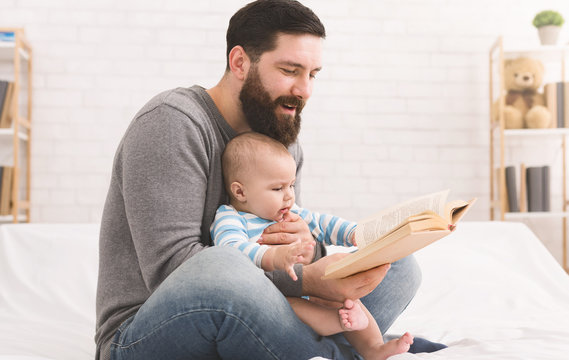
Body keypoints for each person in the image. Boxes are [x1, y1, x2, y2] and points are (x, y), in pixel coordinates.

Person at [95, 1, 435, 359]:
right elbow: (174, 272)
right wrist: (304, 277)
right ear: (240, 62)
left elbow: (289, 241)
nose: (304, 90)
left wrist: (309, 247)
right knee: (223, 264)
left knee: (400, 265)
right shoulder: (173, 123)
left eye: (313, 74)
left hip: (260, 308)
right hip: (143, 332)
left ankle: (311, 348)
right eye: (290, 70)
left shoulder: (282, 141)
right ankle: (341, 353)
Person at [211, 131, 414, 360]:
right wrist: (273, 257)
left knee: (347, 297)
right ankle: (337, 323)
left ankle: (374, 348)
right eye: (278, 189)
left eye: (291, 185)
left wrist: (355, 233)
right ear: (240, 191)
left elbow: (323, 224)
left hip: (311, 287)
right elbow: (229, 251)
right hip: (274, 298)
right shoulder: (231, 217)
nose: (289, 196)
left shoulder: (290, 212)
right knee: (297, 306)